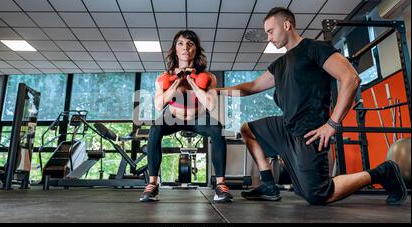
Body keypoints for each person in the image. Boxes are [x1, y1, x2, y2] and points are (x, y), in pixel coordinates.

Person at [217, 7, 407, 205]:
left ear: (287, 25)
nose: (269, 38)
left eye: (270, 31)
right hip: (286, 126)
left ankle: (382, 172)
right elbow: (253, 86)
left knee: (318, 194)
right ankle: (267, 184)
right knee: (248, 130)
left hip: (309, 131)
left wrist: (332, 124)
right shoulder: (280, 64)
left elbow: (350, 78)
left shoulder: (314, 48)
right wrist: (217, 91)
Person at [140, 30, 233, 203]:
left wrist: (191, 81)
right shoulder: (164, 77)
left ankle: (221, 185)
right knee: (155, 128)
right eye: (180, 44)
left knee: (217, 129)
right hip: (173, 117)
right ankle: (152, 184)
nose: (185, 48)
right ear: (175, 49)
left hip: (198, 117)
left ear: (195, 50)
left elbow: (211, 105)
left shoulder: (208, 77)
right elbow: (159, 105)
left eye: (190, 44)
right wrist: (177, 81)